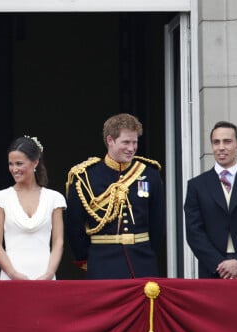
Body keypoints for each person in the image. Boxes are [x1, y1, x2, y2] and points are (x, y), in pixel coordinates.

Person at [65, 113, 165, 279]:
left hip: (142, 264)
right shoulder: (85, 177)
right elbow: (75, 227)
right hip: (102, 264)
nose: (131, 148)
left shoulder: (150, 174)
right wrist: (88, 259)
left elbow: (157, 225)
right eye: (126, 142)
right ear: (110, 140)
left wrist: (147, 252)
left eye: (135, 142)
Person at [184, 121, 237, 279]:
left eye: (227, 141)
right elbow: (194, 231)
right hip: (212, 271)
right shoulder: (197, 186)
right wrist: (220, 265)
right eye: (216, 142)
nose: (221, 147)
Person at [0, 136, 66, 280]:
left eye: (19, 163)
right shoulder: (0, 198)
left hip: (45, 277)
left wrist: (49, 274)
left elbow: (58, 241)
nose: (14, 169)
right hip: (10, 277)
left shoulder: (54, 198)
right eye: (11, 164)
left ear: (35, 162)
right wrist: (13, 274)